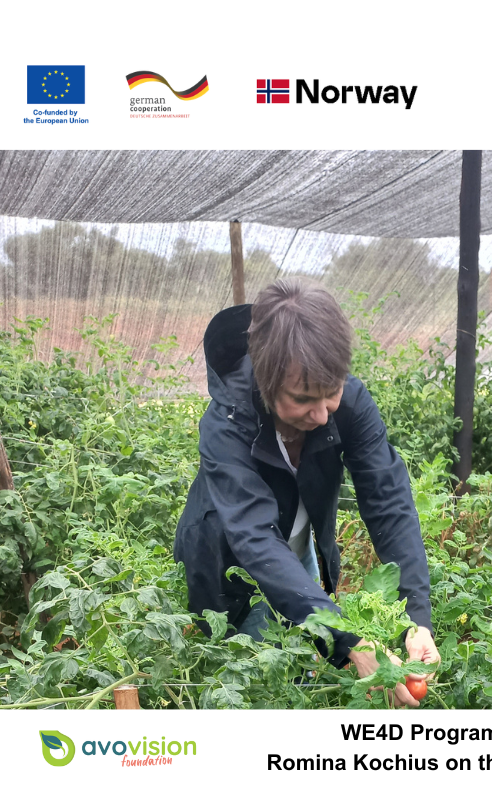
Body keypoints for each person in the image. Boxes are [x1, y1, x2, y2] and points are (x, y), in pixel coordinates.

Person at [174, 278, 437, 707]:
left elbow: (389, 503)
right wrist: (350, 640)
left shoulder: (350, 403)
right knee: (261, 688)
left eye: (331, 393)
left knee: (308, 663)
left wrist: (417, 619)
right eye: (302, 399)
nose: (321, 414)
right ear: (266, 381)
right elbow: (254, 538)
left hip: (297, 550)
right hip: (231, 569)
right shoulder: (227, 423)